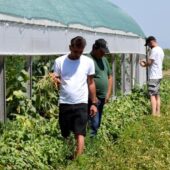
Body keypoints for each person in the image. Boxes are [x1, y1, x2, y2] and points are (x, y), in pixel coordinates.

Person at [53, 36, 97, 158]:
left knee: (80, 132)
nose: (78, 54)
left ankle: (78, 160)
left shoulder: (88, 62)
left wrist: (93, 103)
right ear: (70, 47)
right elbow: (55, 78)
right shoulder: (59, 61)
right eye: (75, 51)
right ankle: (68, 156)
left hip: (81, 102)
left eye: (80, 52)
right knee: (65, 132)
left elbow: (91, 83)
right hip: (64, 102)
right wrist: (54, 79)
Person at [89, 39, 113, 136]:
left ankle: (92, 143)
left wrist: (108, 93)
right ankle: (90, 145)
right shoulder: (88, 60)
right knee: (93, 123)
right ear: (95, 48)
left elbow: (110, 76)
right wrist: (93, 98)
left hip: (102, 98)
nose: (103, 54)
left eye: (105, 52)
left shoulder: (104, 60)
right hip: (93, 98)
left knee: (97, 123)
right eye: (101, 51)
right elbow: (88, 81)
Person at [140, 36, 164, 117]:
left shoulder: (154, 50)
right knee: (157, 94)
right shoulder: (160, 49)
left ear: (151, 42)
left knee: (152, 95)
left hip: (154, 76)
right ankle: (158, 112)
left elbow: (150, 62)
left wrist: (143, 64)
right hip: (159, 75)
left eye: (148, 44)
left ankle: (153, 114)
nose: (149, 46)